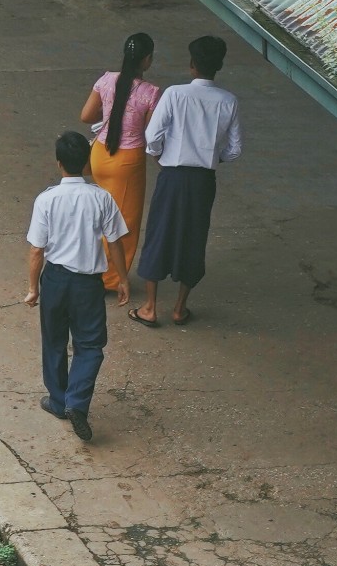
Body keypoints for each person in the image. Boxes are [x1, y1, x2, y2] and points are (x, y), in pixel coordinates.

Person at [25, 130, 130, 442]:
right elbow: (114, 243)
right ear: (87, 163)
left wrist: (33, 288)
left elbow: (36, 251)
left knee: (54, 341)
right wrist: (123, 279)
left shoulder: (46, 200)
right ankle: (77, 403)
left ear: (59, 164)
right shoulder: (101, 198)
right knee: (90, 346)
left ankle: (59, 401)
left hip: (56, 280)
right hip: (88, 285)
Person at [131, 34, 240, 328]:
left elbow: (152, 137)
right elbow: (233, 149)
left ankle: (150, 307)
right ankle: (180, 307)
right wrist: (213, 157)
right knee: (194, 237)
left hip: (173, 176)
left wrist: (159, 155)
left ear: (192, 65)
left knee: (159, 233)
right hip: (204, 180)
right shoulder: (228, 101)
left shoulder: (175, 94)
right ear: (218, 66)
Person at [79, 31, 161, 291]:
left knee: (97, 217)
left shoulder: (106, 80)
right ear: (147, 60)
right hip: (127, 163)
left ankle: (87, 266)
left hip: (100, 154)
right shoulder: (151, 92)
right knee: (123, 222)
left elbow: (86, 116)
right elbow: (151, 135)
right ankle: (109, 279)